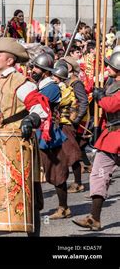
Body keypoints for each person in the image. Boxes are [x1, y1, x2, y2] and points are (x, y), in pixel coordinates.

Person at [0, 38, 50, 237]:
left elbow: (40, 107)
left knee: (27, 199)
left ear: (10, 60)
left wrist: (31, 119)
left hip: (15, 150)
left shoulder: (20, 82)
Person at [73, 52, 120, 231]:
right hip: (110, 138)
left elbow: (112, 105)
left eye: (110, 65)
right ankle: (94, 218)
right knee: (98, 175)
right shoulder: (111, 83)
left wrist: (101, 98)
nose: (107, 68)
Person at [31, 54, 72, 219]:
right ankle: (35, 206)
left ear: (45, 71)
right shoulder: (39, 85)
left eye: (36, 68)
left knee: (56, 172)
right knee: (34, 172)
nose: (32, 70)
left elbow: (36, 105)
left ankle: (63, 207)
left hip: (48, 133)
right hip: (36, 132)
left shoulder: (52, 87)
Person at [61, 56, 89, 193]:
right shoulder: (64, 81)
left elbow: (83, 102)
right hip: (65, 120)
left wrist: (76, 119)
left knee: (73, 153)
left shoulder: (76, 83)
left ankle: (78, 183)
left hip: (75, 122)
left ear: (70, 67)